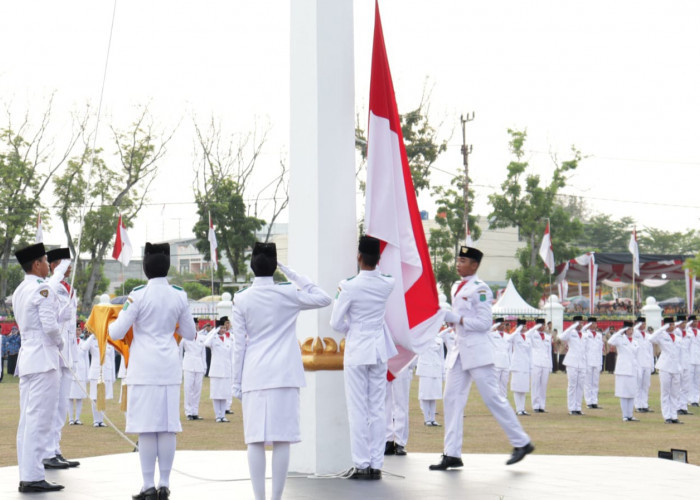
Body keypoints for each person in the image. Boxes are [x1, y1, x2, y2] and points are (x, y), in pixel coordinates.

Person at [232, 242, 331, 500]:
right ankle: (276, 498)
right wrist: (293, 274)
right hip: (285, 374)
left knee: (254, 439)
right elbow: (323, 297)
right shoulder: (287, 293)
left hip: (254, 374)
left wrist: (235, 382)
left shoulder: (241, 298)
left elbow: (238, 345)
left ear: (252, 265)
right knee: (282, 439)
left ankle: (260, 499)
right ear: (275, 266)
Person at [430, 246, 533, 471]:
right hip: (459, 351)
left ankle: (521, 442)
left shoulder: (481, 288)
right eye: (458, 259)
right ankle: (452, 454)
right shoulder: (456, 286)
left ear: (474, 265)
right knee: (451, 399)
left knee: (492, 398)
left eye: (463, 260)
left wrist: (456, 318)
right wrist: (452, 319)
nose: (458, 263)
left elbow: (485, 323)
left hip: (477, 352)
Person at [109, 242, 196, 500]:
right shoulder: (179, 295)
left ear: (145, 267)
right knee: (168, 427)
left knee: (146, 428)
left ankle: (148, 485)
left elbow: (115, 332)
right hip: (168, 367)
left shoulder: (137, 295)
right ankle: (164, 484)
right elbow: (190, 333)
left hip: (143, 368)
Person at [330, 235, 397, 480]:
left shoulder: (347, 286)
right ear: (379, 259)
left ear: (358, 257)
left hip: (358, 349)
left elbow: (336, 323)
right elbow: (385, 278)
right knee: (378, 407)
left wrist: (354, 327)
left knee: (357, 408)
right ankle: (376, 464)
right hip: (379, 349)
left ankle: (361, 464)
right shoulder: (388, 283)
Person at [12, 242, 65, 492]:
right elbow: (50, 325)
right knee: (40, 419)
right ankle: (33, 476)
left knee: (27, 419)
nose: (47, 265)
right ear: (36, 264)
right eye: (45, 261)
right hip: (43, 357)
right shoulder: (41, 288)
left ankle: (29, 473)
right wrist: (61, 343)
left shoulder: (21, 289)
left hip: (28, 357)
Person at [44, 247, 80, 469]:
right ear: (55, 265)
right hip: (56, 353)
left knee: (62, 404)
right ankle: (47, 451)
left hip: (69, 352)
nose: (69, 270)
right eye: (65, 265)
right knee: (52, 403)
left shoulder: (69, 288)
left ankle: (55, 448)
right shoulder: (51, 286)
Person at [649, 317, 683, 424]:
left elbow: (680, 354)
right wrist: (662, 329)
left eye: (673, 325)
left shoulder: (678, 338)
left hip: (676, 367)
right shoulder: (661, 336)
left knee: (675, 393)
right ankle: (667, 416)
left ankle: (674, 416)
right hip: (665, 367)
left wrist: (681, 367)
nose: (672, 327)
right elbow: (650, 339)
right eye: (670, 325)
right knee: (665, 392)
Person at [81, 330, 116, 427]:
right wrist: (93, 335)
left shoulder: (109, 342)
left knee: (103, 397)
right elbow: (84, 348)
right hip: (96, 373)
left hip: (107, 372)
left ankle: (101, 420)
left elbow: (112, 359)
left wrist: (113, 376)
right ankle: (96, 420)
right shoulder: (92, 342)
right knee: (95, 397)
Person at [607, 321, 640, 422]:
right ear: (625, 330)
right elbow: (610, 341)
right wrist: (620, 331)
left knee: (632, 393)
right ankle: (625, 415)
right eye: (629, 329)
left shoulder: (635, 341)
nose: (631, 331)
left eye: (632, 329)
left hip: (633, 369)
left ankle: (630, 415)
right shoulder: (620, 339)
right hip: (623, 369)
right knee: (624, 393)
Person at [204, 316, 233, 423]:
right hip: (216, 371)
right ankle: (217, 415)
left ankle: (223, 415)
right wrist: (214, 331)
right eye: (220, 328)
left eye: (224, 328)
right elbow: (206, 343)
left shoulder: (228, 339)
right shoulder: (213, 339)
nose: (223, 330)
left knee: (225, 394)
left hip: (226, 370)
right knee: (216, 394)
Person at [417, 328, 446, 426]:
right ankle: (426, 419)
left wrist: (443, 373)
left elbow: (442, 357)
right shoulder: (421, 338)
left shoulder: (439, 340)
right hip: (425, 370)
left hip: (436, 369)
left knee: (434, 396)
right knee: (425, 395)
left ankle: (433, 419)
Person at [558, 316, 587, 415]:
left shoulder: (584, 334)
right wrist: (571, 327)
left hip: (582, 363)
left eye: (581, 323)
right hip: (572, 362)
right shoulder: (570, 333)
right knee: (572, 385)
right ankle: (571, 408)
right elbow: (561, 337)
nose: (580, 324)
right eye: (578, 323)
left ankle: (578, 407)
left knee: (580, 385)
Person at [385, 359, 414, 455]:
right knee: (385, 403)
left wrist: (410, 364)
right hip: (384, 361)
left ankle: (400, 442)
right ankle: (387, 440)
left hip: (402, 361)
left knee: (401, 403)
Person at [181, 319, 209, 420]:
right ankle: (188, 412)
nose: (196, 326)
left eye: (197, 325)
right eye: (194, 325)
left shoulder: (201, 337)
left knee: (197, 389)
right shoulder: (185, 337)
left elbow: (203, 353)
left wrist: (204, 366)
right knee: (188, 389)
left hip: (199, 365)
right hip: (188, 364)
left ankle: (195, 412)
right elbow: (179, 350)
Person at [505, 318, 532, 416]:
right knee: (517, 387)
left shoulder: (527, 338)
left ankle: (523, 408)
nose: (524, 328)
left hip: (525, 364)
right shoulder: (515, 336)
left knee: (524, 388)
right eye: (522, 326)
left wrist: (530, 366)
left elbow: (530, 353)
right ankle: (518, 409)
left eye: (525, 326)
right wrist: (516, 330)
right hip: (517, 364)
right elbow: (508, 339)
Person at [528, 318, 552, 413]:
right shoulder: (533, 335)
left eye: (543, 325)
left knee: (543, 385)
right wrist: (535, 328)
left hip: (545, 362)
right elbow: (527, 335)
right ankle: (535, 405)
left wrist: (550, 365)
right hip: (536, 362)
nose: (542, 327)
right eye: (540, 325)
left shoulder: (547, 337)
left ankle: (542, 406)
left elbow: (549, 352)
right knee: (535, 384)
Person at [633, 316, 655, 413]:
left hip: (646, 363)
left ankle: (644, 404)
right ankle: (638, 405)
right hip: (637, 363)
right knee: (638, 385)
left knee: (646, 385)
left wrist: (652, 365)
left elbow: (650, 351)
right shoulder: (634, 334)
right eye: (641, 323)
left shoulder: (647, 336)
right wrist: (635, 326)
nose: (643, 325)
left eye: (644, 324)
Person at [582, 317, 604, 409]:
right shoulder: (585, 334)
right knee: (588, 383)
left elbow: (600, 350)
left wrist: (601, 363)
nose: (593, 325)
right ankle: (589, 402)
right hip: (588, 361)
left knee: (595, 382)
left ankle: (594, 401)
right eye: (591, 324)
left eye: (595, 323)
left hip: (597, 361)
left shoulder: (599, 335)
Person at [69, 325, 89, 425]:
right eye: (76, 330)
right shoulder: (69, 343)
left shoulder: (84, 343)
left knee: (80, 397)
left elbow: (86, 360)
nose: (77, 331)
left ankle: (77, 418)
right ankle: (71, 419)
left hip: (81, 371)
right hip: (72, 371)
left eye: (79, 330)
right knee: (70, 397)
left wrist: (87, 375)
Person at [490, 318, 511, 399]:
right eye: (500, 324)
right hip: (496, 363)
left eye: (503, 324)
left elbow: (509, 351)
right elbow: (487, 332)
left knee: (504, 385)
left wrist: (510, 364)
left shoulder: (508, 336)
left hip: (505, 363)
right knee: (496, 385)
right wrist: (494, 326)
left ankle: (504, 402)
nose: (502, 326)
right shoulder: (492, 335)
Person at [687, 316, 700, 407]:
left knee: (697, 381)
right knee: (690, 380)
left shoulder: (699, 332)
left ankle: (696, 399)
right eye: (693, 321)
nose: (695, 323)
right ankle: (690, 399)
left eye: (696, 321)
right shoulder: (687, 332)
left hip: (698, 359)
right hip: (689, 360)